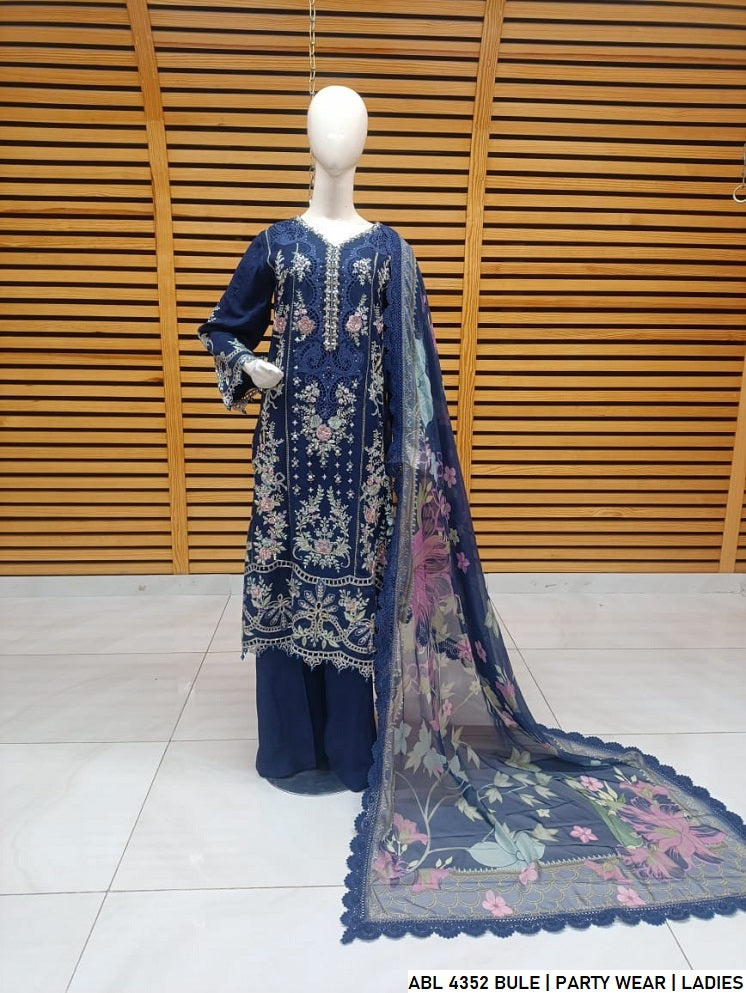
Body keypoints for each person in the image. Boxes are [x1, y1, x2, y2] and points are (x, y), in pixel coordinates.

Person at [198, 86, 390, 792]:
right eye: (324, 124)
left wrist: (414, 454)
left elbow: (414, 363)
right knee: (284, 581)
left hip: (363, 466)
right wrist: (249, 364)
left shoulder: (390, 251)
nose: (337, 137)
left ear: (366, 142)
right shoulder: (276, 244)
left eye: (351, 126)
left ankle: (349, 748)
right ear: (306, 138)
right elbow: (223, 328)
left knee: (356, 588)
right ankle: (288, 747)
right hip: (286, 461)